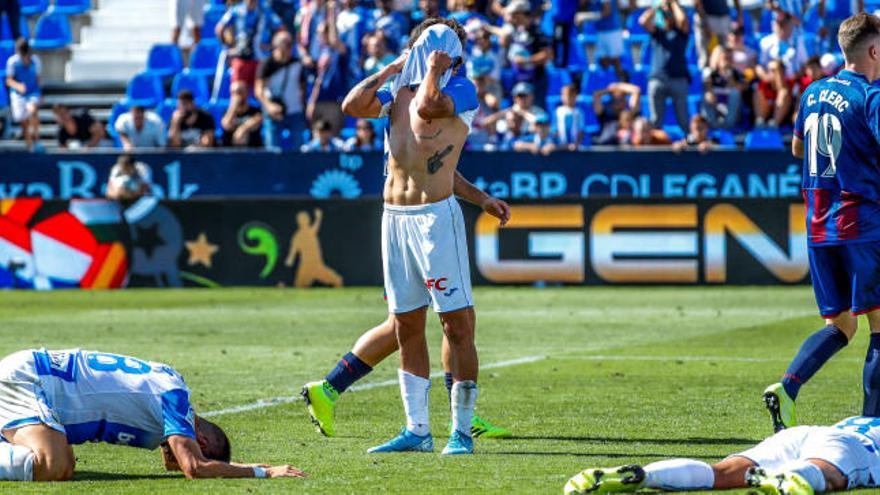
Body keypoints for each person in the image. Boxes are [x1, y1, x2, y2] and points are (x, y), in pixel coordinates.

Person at [339, 18, 485, 455]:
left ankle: (461, 430)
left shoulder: (461, 90)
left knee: (456, 324)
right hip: (394, 218)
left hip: (436, 221)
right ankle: (417, 429)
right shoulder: (395, 91)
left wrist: (435, 71)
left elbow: (429, 110)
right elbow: (351, 105)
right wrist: (390, 70)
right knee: (406, 325)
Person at [301, 177, 512, 439]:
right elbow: (437, 167)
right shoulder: (417, 138)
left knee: (409, 323)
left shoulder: (404, 139)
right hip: (424, 223)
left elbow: (436, 168)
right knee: (451, 318)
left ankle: (329, 388)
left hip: (407, 221)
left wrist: (482, 198)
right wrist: (482, 199)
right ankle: (460, 418)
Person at [763, 13, 880, 434]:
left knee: (841, 324)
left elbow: (798, 147)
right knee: (879, 324)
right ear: (872, 50)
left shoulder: (813, 92)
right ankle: (873, 428)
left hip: (818, 225)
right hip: (862, 222)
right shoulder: (871, 95)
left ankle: (787, 387)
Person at [0, 348, 306, 481]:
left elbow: (193, 462)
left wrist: (236, 465)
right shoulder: (176, 404)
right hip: (32, 378)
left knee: (60, 456)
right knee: (56, 467)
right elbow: (194, 467)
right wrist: (262, 472)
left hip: (40, 376)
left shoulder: (171, 381)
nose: (169, 463)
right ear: (199, 439)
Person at [564, 415, 880, 494]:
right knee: (829, 474)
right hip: (849, 447)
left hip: (805, 432)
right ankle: (793, 479)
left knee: (723, 472)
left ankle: (645, 475)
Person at [640, 0, 690, 135]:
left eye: (670, 15)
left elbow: (683, 20)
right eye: (666, 15)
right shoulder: (658, 32)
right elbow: (643, 21)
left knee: (684, 121)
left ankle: (690, 147)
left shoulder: (681, 33)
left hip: (678, 79)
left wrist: (673, 3)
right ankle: (655, 150)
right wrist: (657, 7)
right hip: (658, 79)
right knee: (656, 121)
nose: (668, 17)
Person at [216, 0, 284, 92]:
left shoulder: (266, 11)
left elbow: (281, 29)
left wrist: (271, 46)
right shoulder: (236, 10)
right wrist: (229, 46)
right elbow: (220, 28)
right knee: (238, 90)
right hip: (241, 57)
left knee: (262, 91)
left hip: (261, 59)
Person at [256, 30, 306, 150]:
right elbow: (259, 90)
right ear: (276, 45)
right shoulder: (266, 64)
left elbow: (302, 88)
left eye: (290, 44)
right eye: (285, 44)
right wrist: (269, 106)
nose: (288, 47)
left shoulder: (297, 64)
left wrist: (304, 105)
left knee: (298, 148)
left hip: (295, 111)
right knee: (273, 150)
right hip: (274, 113)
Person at [503, 0, 552, 111]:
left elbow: (547, 54)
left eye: (514, 14)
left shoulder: (537, 31)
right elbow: (503, 43)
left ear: (521, 13)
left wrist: (526, 60)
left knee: (537, 113)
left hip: (535, 82)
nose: (512, 16)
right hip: (518, 80)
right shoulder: (515, 30)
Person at [5, 39, 41, 151]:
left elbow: (38, 79)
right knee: (24, 123)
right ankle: (30, 147)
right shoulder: (12, 62)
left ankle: (36, 137)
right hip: (18, 95)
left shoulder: (36, 60)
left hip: (32, 92)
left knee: (33, 110)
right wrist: (18, 86)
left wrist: (40, 93)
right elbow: (9, 81)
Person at [702, 46, 745, 129]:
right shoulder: (710, 73)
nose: (727, 60)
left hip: (731, 111)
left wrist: (730, 75)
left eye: (730, 58)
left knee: (735, 93)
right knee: (706, 96)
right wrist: (710, 92)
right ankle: (712, 125)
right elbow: (707, 87)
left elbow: (740, 89)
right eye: (725, 58)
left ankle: (728, 126)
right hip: (716, 107)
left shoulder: (736, 72)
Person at [693, 0, 741, 69]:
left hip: (724, 16)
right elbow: (697, 2)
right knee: (704, 58)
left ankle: (726, 74)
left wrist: (739, 14)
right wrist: (704, 22)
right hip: (707, 16)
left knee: (726, 51)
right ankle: (705, 76)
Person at [593, 0, 634, 78]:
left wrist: (587, 16)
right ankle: (607, 83)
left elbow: (608, 10)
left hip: (612, 32)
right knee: (604, 62)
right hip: (602, 30)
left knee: (615, 60)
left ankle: (623, 83)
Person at [593, 81, 640, 145]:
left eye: (621, 99)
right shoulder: (604, 114)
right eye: (615, 99)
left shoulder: (630, 113)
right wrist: (610, 90)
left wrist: (619, 86)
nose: (618, 102)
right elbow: (596, 94)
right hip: (607, 147)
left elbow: (636, 91)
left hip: (627, 148)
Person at [221, 80, 264, 147]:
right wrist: (233, 107)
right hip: (230, 153)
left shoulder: (256, 111)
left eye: (239, 92)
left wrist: (242, 129)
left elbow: (257, 121)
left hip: (253, 152)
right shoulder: (227, 112)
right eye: (233, 93)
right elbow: (226, 125)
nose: (236, 96)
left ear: (247, 93)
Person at [754, 58, 794, 127]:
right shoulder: (764, 84)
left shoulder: (789, 82)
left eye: (774, 70)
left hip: (784, 117)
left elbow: (782, 88)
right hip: (767, 113)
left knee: (784, 92)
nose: (771, 73)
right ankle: (760, 121)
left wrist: (779, 77)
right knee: (758, 92)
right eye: (769, 70)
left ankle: (774, 123)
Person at [554, 83, 585, 150]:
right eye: (564, 95)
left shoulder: (579, 112)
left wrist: (576, 144)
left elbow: (581, 130)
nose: (567, 97)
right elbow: (555, 130)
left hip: (575, 147)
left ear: (575, 96)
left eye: (570, 95)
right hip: (561, 147)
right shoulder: (558, 111)